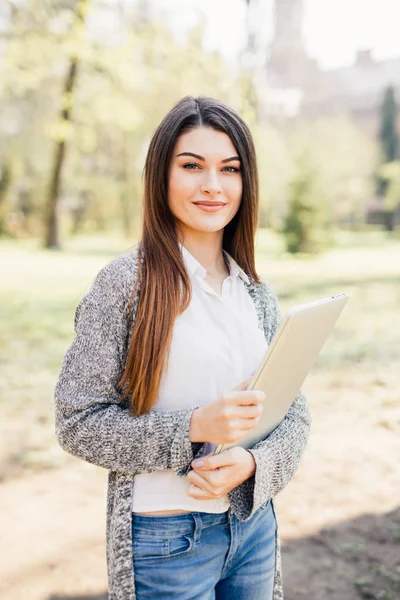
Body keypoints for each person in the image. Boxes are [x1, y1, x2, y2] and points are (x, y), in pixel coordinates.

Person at [54, 95, 311, 600]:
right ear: (160, 176)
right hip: (165, 541)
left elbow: (295, 414)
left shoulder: (255, 290)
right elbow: (76, 422)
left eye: (229, 168)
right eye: (192, 165)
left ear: (246, 181)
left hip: (253, 528)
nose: (213, 185)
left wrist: (255, 464)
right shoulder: (123, 285)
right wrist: (195, 427)